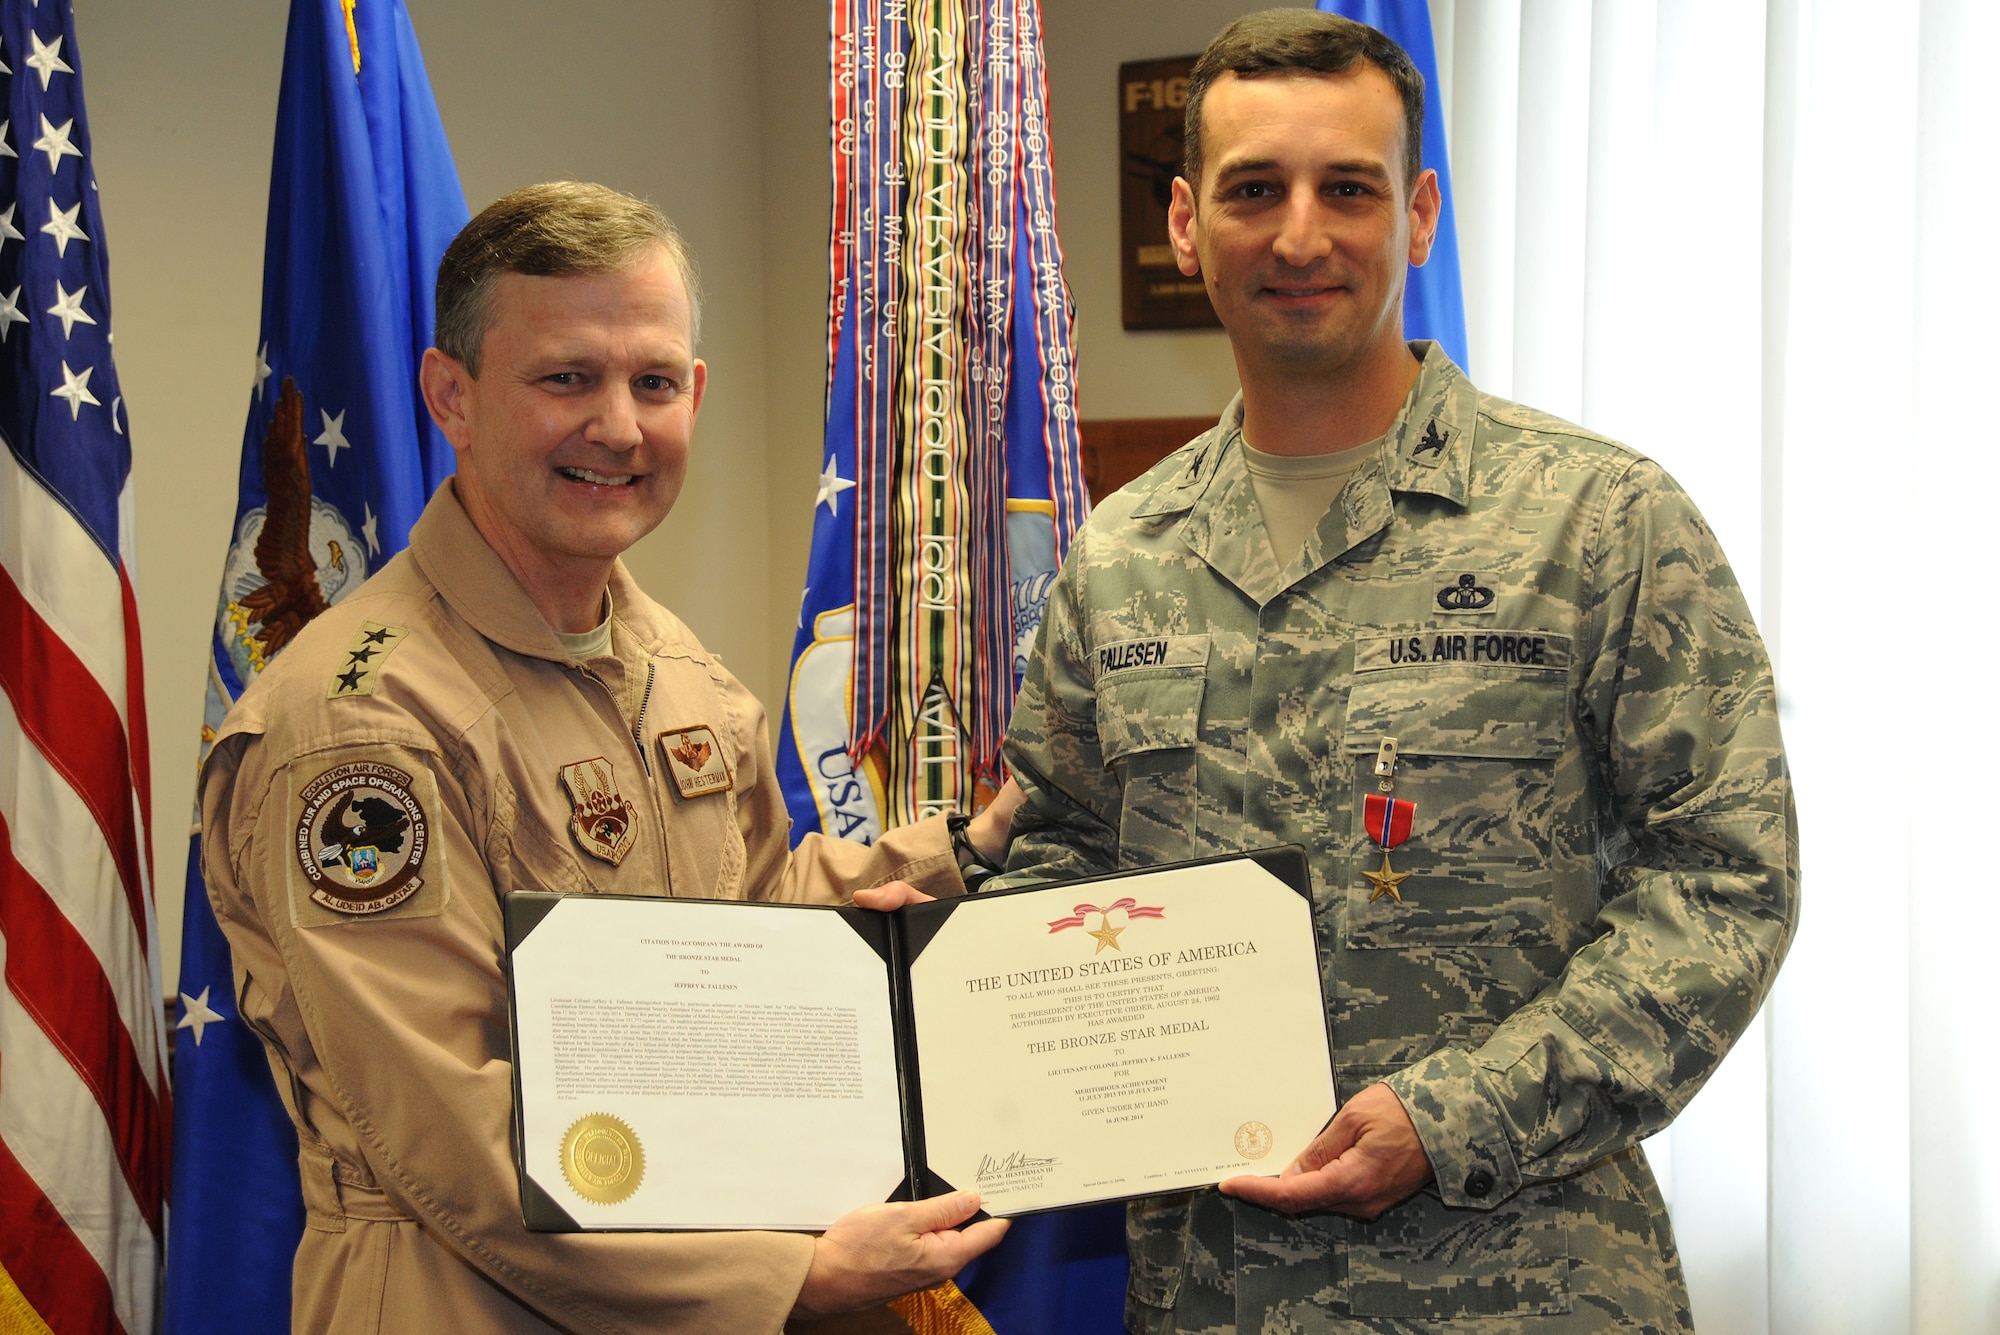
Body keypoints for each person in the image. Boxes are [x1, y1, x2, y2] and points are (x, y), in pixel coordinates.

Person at [995, 11, 1798, 1334]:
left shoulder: (1598, 522)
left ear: (1418, 214)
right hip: (1214, 1290)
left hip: (1526, 1286)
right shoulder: (1120, 553)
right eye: (1255, 189)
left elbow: (1725, 877)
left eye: (1348, 188)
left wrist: (1452, 1114)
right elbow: (1063, 853)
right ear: (1189, 225)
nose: (1301, 235)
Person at [199, 181, 1015, 1334]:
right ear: (453, 396)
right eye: (565, 378)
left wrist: (972, 849)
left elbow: (746, 920)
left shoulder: (663, 658)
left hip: (699, 1265)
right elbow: (451, 1135)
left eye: (654, 381)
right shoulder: (359, 724)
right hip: (464, 1298)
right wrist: (787, 1281)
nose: (620, 427)